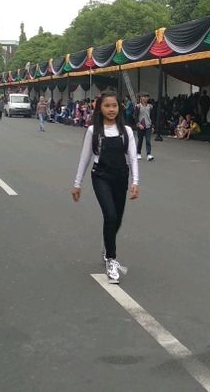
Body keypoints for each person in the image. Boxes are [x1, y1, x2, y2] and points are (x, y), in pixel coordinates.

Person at [71, 91, 139, 284]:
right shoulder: (94, 131)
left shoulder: (126, 131)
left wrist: (135, 182)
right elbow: (85, 159)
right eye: (107, 106)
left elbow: (133, 158)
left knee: (117, 219)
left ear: (119, 108)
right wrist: (77, 184)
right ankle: (111, 259)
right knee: (110, 215)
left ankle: (106, 245)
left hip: (121, 177)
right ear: (99, 108)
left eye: (114, 106)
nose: (111, 109)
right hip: (101, 176)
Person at [135, 92, 154, 161]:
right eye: (144, 97)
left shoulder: (150, 106)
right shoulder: (138, 106)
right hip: (140, 125)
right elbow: (135, 116)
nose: (145, 98)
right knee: (140, 140)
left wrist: (152, 126)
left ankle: (149, 154)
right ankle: (138, 153)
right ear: (141, 98)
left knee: (148, 140)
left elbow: (152, 116)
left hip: (148, 125)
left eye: (146, 97)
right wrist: (138, 124)